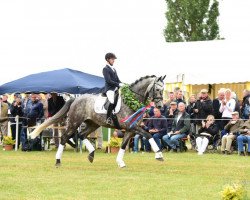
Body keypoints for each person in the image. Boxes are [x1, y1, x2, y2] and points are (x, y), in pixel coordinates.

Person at [102, 53, 124, 126]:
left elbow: (118, 80)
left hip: (116, 89)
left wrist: (123, 84)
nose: (114, 61)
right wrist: (118, 84)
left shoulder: (113, 69)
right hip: (110, 89)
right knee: (111, 101)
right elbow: (109, 81)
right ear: (108, 59)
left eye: (114, 59)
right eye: (112, 59)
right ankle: (108, 118)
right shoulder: (105, 69)